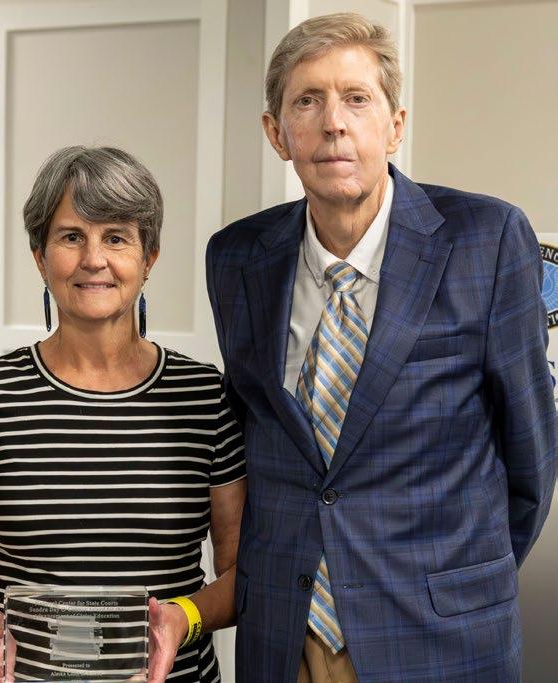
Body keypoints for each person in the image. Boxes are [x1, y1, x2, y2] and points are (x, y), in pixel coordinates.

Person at [206, 12, 557, 683]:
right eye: (307, 101)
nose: (333, 123)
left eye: (356, 98)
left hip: (439, 636)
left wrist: (455, 578)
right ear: (276, 133)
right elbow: (257, 435)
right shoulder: (236, 257)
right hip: (285, 635)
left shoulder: (486, 240)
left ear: (395, 125)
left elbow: (531, 459)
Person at [0, 146, 246, 683]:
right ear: (40, 257)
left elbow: (243, 571)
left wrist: (181, 619)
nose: (94, 259)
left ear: (149, 257)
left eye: (116, 237)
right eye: (71, 237)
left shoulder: (204, 397)